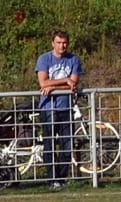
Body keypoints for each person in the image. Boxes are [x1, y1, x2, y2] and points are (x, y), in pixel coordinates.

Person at [36, 29, 83, 191]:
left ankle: (61, 178)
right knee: (49, 143)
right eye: (58, 42)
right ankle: (51, 178)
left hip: (66, 107)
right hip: (48, 107)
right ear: (52, 43)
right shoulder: (44, 59)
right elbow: (43, 83)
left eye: (64, 43)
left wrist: (53, 85)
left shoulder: (74, 59)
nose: (62, 46)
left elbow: (74, 84)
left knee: (67, 143)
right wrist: (65, 80)